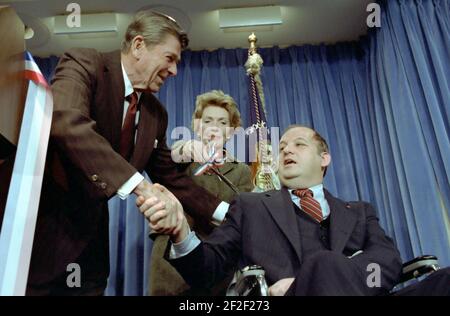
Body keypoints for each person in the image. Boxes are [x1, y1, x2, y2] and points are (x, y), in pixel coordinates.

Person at [26, 10, 229, 295]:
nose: (174, 71)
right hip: (42, 237)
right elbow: (66, 121)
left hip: (91, 249)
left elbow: (172, 178)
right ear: (138, 46)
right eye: (169, 58)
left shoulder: (155, 114)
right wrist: (139, 185)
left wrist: (228, 213)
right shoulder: (84, 63)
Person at [139, 124, 404, 295]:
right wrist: (182, 233)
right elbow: (207, 270)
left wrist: (341, 275)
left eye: (299, 144)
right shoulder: (249, 206)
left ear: (324, 158)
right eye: (281, 148)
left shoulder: (359, 211)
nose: (287, 149)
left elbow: (387, 263)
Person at [149, 90, 253, 295]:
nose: (215, 127)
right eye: (208, 120)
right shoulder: (183, 157)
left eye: (223, 122)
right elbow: (170, 158)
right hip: (171, 263)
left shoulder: (242, 171)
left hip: (217, 263)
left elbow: (241, 217)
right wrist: (185, 147)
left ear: (231, 131)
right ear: (197, 126)